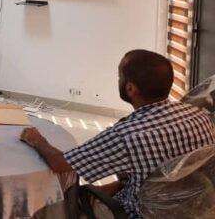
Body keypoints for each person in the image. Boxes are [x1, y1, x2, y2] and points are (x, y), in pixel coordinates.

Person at [20, 49, 215, 219]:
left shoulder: (126, 135)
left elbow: (60, 163)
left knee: (52, 204)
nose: (118, 80)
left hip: (138, 213)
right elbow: (170, 170)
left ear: (130, 88)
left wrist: (37, 139)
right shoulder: (199, 115)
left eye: (119, 76)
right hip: (195, 207)